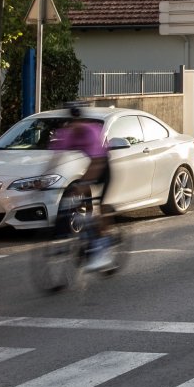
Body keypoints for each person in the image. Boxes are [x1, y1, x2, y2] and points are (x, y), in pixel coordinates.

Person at [48, 103, 114, 270]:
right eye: (71, 122)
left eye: (77, 121)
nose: (74, 125)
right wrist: (43, 180)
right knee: (72, 202)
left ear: (82, 120)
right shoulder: (67, 134)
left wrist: (84, 184)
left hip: (103, 167)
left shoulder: (90, 132)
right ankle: (82, 237)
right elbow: (54, 160)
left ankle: (103, 251)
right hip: (89, 168)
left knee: (100, 209)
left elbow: (97, 163)